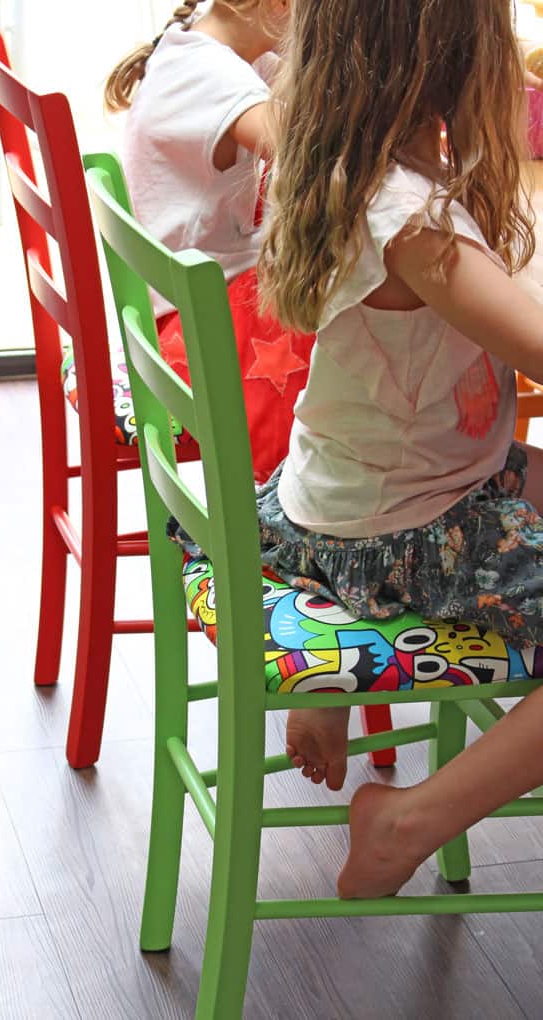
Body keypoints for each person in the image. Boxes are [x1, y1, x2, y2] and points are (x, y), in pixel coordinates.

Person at [254, 0, 543, 898]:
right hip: (405, 537)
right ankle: (406, 822)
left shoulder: (354, 171)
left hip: (323, 505)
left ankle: (331, 694)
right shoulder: (414, 223)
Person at [101, 0, 314, 483]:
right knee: (342, 333)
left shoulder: (215, 49)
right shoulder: (210, 74)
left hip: (183, 301)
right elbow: (309, 154)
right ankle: (276, 516)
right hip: (193, 328)